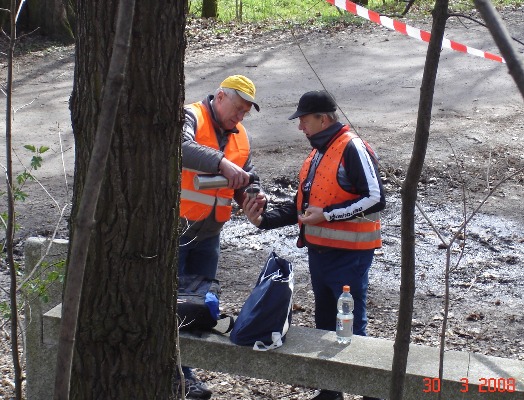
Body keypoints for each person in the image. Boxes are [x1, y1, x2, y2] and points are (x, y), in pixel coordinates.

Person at [243, 90, 386, 400]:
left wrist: (329, 215)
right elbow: (302, 207)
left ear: (323, 119)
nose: (300, 127)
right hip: (321, 254)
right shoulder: (318, 152)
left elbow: (376, 199)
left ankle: (368, 390)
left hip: (350, 256)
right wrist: (263, 220)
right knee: (324, 324)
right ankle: (331, 391)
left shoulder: (352, 147)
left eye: (304, 120)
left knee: (349, 325)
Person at [177, 75, 263, 399]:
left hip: (210, 235)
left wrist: (252, 199)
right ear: (222, 97)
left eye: (245, 113)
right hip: (177, 231)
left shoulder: (241, 136)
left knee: (198, 307)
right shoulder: (191, 115)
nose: (240, 117)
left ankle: (186, 375)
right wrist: (221, 163)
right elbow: (182, 147)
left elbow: (246, 179)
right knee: (175, 305)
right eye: (238, 109)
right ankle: (181, 378)